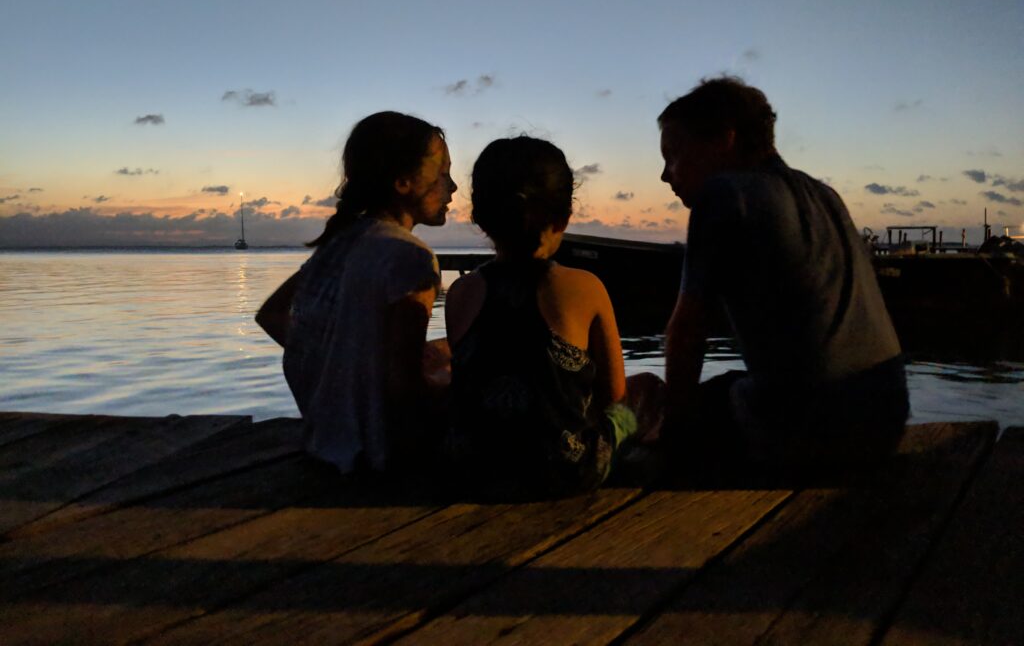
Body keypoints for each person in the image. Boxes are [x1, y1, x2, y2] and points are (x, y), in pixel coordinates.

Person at [658, 77, 907, 482]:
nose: (666, 176)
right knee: (728, 387)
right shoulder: (825, 195)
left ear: (724, 139)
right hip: (883, 427)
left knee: (652, 399)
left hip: (808, 437)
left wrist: (674, 435)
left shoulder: (723, 194)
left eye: (674, 156)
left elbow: (686, 332)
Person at [443, 135, 661, 497]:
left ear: (479, 218)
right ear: (564, 216)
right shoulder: (586, 287)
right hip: (565, 472)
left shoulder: (460, 294)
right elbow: (615, 393)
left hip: (475, 470)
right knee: (647, 390)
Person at [256, 111, 457, 474]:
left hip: (324, 441)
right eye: (442, 174)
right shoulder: (410, 257)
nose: (453, 187)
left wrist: (342, 362)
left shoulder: (339, 243)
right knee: (477, 361)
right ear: (403, 181)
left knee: (450, 347)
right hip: (379, 453)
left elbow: (270, 315)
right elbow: (404, 390)